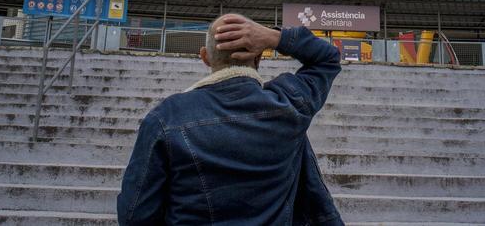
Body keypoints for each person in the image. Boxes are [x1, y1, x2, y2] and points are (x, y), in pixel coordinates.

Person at [117, 13, 343, 225]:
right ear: (259, 56)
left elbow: (135, 215)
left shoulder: (165, 118)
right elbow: (327, 59)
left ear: (205, 57)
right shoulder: (289, 104)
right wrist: (274, 37)